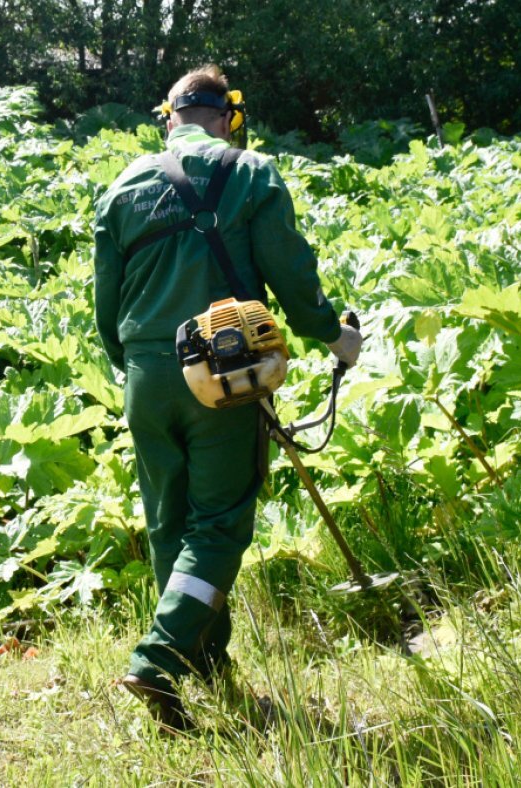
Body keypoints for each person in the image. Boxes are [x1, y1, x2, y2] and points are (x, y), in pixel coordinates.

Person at [92, 64, 362, 731]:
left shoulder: (123, 187)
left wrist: (137, 368)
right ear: (227, 117)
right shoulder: (251, 175)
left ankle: (204, 664)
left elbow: (105, 307)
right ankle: (158, 659)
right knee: (218, 526)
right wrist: (335, 337)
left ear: (171, 117)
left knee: (171, 525)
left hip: (147, 377)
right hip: (223, 372)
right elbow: (292, 277)